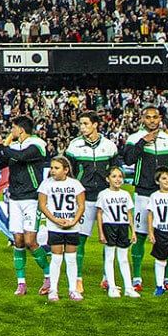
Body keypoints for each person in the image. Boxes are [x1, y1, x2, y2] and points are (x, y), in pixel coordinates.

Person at [0, 115, 48, 296]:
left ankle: (48, 275)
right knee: (18, 241)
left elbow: (21, 156)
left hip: (31, 199)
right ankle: (21, 283)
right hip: (15, 199)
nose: (11, 132)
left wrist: (5, 146)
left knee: (31, 241)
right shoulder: (13, 147)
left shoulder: (37, 145)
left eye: (13, 128)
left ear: (20, 130)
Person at [121, 105, 168, 291]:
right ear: (142, 119)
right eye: (148, 117)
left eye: (155, 117)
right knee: (141, 235)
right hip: (143, 193)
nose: (152, 120)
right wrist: (142, 142)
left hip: (164, 196)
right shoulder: (135, 138)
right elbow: (128, 159)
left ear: (160, 118)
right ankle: (137, 277)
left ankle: (167, 278)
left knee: (167, 235)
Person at [65, 112, 118, 289]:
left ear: (95, 125)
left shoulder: (109, 146)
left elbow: (115, 170)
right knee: (80, 239)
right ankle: (78, 279)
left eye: (86, 123)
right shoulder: (74, 146)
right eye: (81, 124)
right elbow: (69, 172)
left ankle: (107, 278)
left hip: (105, 198)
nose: (82, 127)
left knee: (110, 238)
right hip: (84, 198)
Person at [36, 155, 85, 302]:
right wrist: (55, 220)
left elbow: (81, 205)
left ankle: (73, 289)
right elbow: (42, 205)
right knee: (56, 258)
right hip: (55, 227)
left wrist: (73, 221)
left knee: (71, 259)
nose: (52, 171)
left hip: (72, 227)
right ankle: (53, 290)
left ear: (66, 170)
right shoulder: (46, 184)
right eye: (51, 168)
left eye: (56, 168)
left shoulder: (75, 184)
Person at [95, 167, 138, 298]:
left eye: (120, 176)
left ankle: (128, 287)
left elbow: (129, 213)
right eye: (114, 176)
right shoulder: (103, 194)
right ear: (108, 179)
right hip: (109, 226)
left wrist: (133, 231)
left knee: (124, 258)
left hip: (123, 226)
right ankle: (112, 287)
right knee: (109, 257)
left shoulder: (125, 194)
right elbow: (99, 214)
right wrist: (101, 232)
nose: (118, 179)